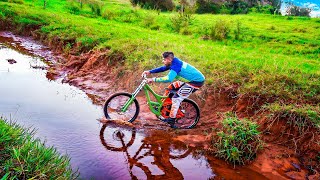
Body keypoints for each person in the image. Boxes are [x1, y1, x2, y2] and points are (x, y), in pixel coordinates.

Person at [142, 52, 205, 128]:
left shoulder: (176, 66)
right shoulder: (173, 62)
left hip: (195, 82)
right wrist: (150, 71)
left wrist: (153, 79)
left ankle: (172, 119)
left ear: (169, 59)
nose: (163, 61)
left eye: (164, 59)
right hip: (188, 80)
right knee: (170, 88)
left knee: (176, 98)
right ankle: (165, 107)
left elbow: (169, 78)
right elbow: (163, 68)